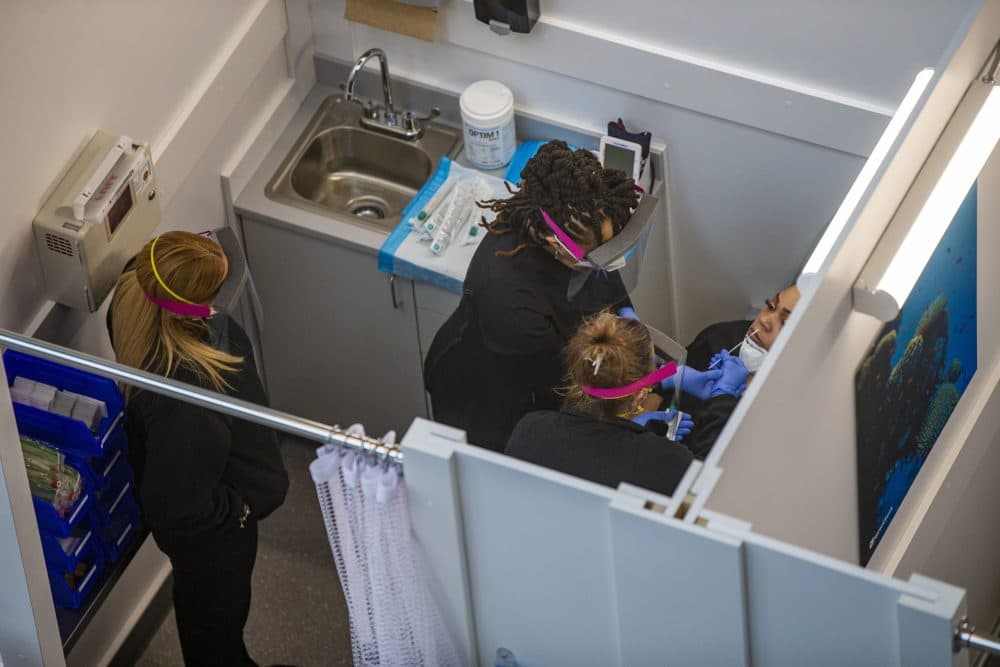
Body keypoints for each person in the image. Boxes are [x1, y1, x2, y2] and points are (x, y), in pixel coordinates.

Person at [107, 230, 289, 667]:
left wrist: (234, 509)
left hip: (218, 526)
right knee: (213, 638)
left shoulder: (134, 302)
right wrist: (237, 509)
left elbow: (173, 503)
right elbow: (175, 506)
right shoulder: (195, 385)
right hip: (220, 530)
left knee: (210, 634)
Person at [424, 140, 641, 452]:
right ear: (556, 243)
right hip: (484, 397)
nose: (605, 259)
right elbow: (570, 379)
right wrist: (635, 395)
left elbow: (601, 269)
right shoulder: (509, 300)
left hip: (541, 367)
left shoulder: (579, 235)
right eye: (595, 253)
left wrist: (628, 319)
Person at [504, 311, 745, 495]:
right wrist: (722, 398)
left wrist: (661, 384)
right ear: (640, 396)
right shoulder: (665, 462)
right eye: (656, 370)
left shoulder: (530, 429)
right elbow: (703, 485)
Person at [663, 283, 802, 458]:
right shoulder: (720, 338)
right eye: (770, 306)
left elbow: (707, 470)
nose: (764, 321)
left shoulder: (786, 413)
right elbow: (657, 392)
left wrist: (722, 399)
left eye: (785, 323)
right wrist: (660, 380)